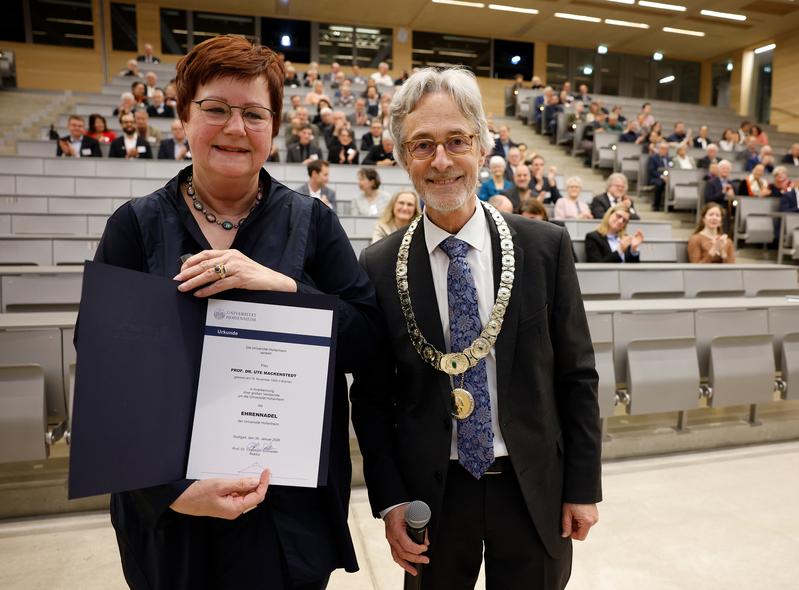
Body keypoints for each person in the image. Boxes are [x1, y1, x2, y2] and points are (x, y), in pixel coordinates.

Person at [93, 35, 380, 590]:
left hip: (285, 515)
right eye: (216, 109)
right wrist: (173, 491)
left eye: (253, 114)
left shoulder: (314, 224)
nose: (235, 128)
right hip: (173, 517)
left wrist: (286, 287)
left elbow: (367, 340)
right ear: (183, 116)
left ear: (273, 127)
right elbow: (106, 378)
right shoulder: (135, 227)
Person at [350, 67, 601, 590]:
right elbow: (372, 400)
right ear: (402, 157)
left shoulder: (545, 247)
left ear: (483, 146)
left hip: (534, 489)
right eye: (422, 145)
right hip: (431, 500)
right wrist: (391, 500)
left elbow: (577, 376)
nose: (441, 161)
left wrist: (582, 486)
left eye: (457, 141)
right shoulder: (378, 266)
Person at [646, 141, 672, 212]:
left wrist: (668, 177)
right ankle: (656, 205)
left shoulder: (669, 159)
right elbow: (652, 171)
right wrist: (662, 176)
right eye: (662, 148)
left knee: (672, 184)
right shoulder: (653, 158)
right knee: (660, 184)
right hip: (655, 178)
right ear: (659, 149)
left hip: (667, 178)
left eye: (666, 149)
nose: (664, 150)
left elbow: (671, 169)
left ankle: (670, 206)